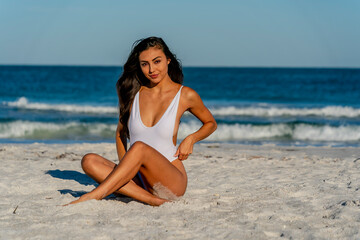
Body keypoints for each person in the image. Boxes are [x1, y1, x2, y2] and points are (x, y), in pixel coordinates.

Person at [68, 36, 217, 206]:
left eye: (157, 61)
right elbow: (120, 133)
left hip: (171, 180)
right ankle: (150, 199)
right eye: (145, 64)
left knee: (139, 148)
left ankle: (95, 195)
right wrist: (126, 169)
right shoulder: (134, 93)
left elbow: (211, 123)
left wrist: (191, 139)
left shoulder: (185, 95)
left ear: (168, 60)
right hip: (139, 178)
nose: (151, 69)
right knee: (89, 160)